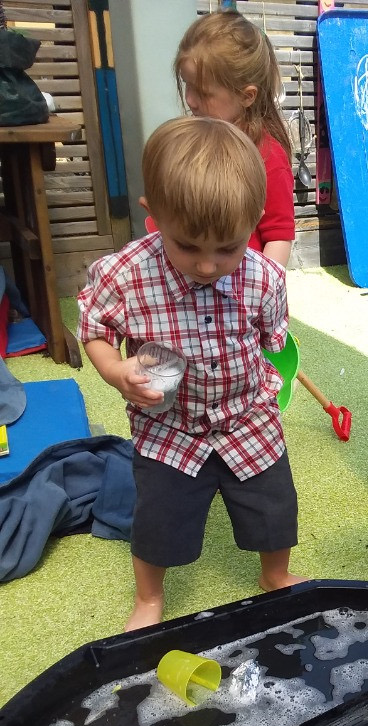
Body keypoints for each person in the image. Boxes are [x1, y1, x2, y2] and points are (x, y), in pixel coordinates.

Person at [77, 117, 306, 632]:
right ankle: (149, 598)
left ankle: (276, 572)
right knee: (159, 519)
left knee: (273, 506)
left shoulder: (264, 278)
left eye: (228, 247)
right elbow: (93, 325)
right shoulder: (125, 273)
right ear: (153, 215)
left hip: (246, 417)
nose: (207, 266)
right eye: (187, 246)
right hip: (168, 425)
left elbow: (272, 342)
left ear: (253, 222)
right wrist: (116, 371)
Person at [145, 10, 295, 267]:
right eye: (186, 84)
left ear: (247, 96)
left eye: (202, 91)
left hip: (238, 294)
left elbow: (279, 235)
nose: (190, 100)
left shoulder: (268, 157)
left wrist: (262, 291)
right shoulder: (191, 141)